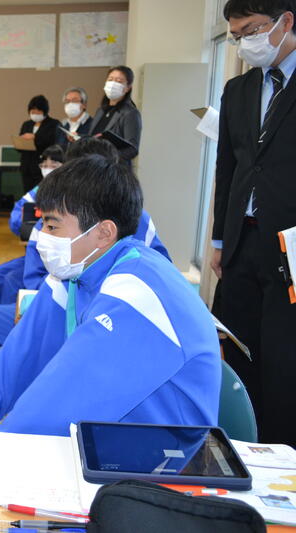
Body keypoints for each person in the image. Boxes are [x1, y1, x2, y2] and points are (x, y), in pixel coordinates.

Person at [0, 155, 221, 533]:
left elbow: (69, 390)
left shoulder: (136, 288)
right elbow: (19, 355)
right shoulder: (77, 271)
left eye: (53, 225)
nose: (42, 236)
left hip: (161, 453)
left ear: (103, 232)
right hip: (113, 429)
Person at [0, 138, 170, 407]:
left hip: (107, 323)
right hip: (59, 305)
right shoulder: (56, 216)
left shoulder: (135, 226)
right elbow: (37, 280)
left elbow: (160, 273)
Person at [213, 0, 296, 447]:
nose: (245, 43)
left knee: (283, 361)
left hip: (290, 246)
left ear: (286, 21)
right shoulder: (238, 89)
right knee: (238, 351)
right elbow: (228, 167)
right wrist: (218, 240)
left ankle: (283, 456)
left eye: (252, 31)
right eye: (237, 36)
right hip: (241, 241)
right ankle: (240, 445)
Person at [0, 145, 64, 306]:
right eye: (44, 165)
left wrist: (29, 225)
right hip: (34, 253)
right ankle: (0, 311)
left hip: (48, 259)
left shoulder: (65, 193)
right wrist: (23, 226)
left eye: (53, 165)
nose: (48, 169)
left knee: (10, 280)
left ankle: (11, 316)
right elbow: (15, 217)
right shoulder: (39, 190)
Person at [89, 66, 142, 166]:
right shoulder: (101, 110)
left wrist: (107, 158)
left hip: (114, 169)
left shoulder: (130, 113)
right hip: (94, 167)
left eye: (119, 81)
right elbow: (94, 136)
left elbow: (132, 149)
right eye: (110, 79)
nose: (113, 84)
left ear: (128, 88)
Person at [17, 95, 61, 193]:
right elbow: (20, 142)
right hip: (27, 165)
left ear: (45, 111)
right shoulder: (27, 124)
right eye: (33, 112)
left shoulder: (53, 124)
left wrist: (35, 137)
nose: (35, 114)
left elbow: (52, 141)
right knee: (28, 193)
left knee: (42, 192)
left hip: (43, 164)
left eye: (38, 112)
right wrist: (20, 141)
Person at [56, 87, 93, 151]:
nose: (70, 104)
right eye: (67, 101)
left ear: (84, 105)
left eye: (74, 100)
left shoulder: (92, 124)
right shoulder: (62, 125)